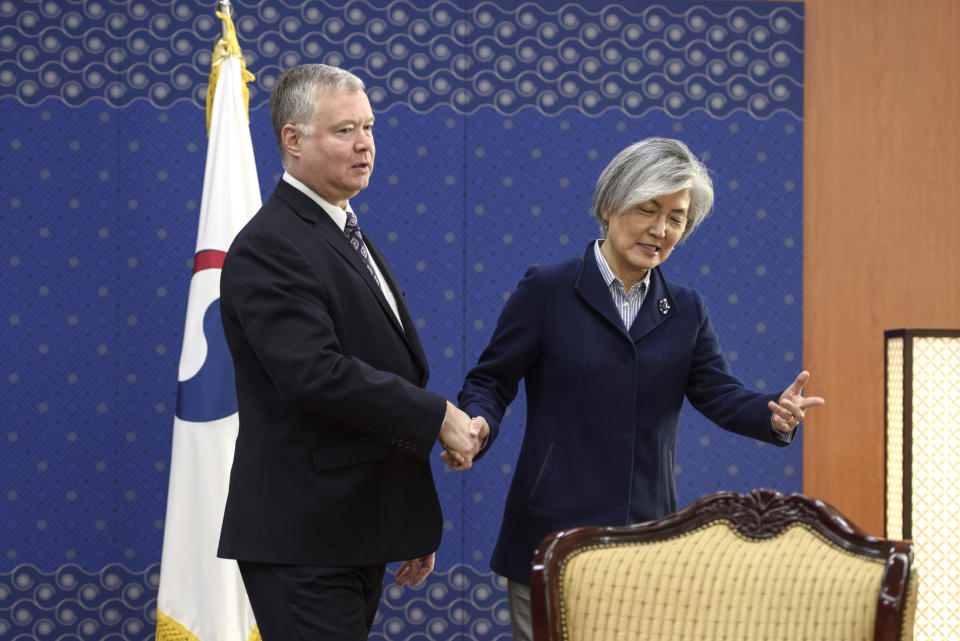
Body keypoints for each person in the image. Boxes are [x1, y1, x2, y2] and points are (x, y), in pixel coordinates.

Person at [454, 137, 825, 641]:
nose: (661, 229)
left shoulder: (687, 309)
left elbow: (718, 392)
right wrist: (478, 422)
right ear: (609, 206)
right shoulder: (548, 289)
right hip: (551, 531)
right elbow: (491, 380)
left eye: (677, 217)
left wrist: (771, 413)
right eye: (648, 210)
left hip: (647, 537)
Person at [217, 64, 486, 641]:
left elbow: (377, 377)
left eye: (368, 128)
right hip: (303, 540)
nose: (365, 144)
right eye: (344, 131)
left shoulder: (339, 232)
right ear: (293, 139)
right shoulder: (270, 245)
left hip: (352, 533)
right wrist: (437, 415)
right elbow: (315, 375)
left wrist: (402, 524)